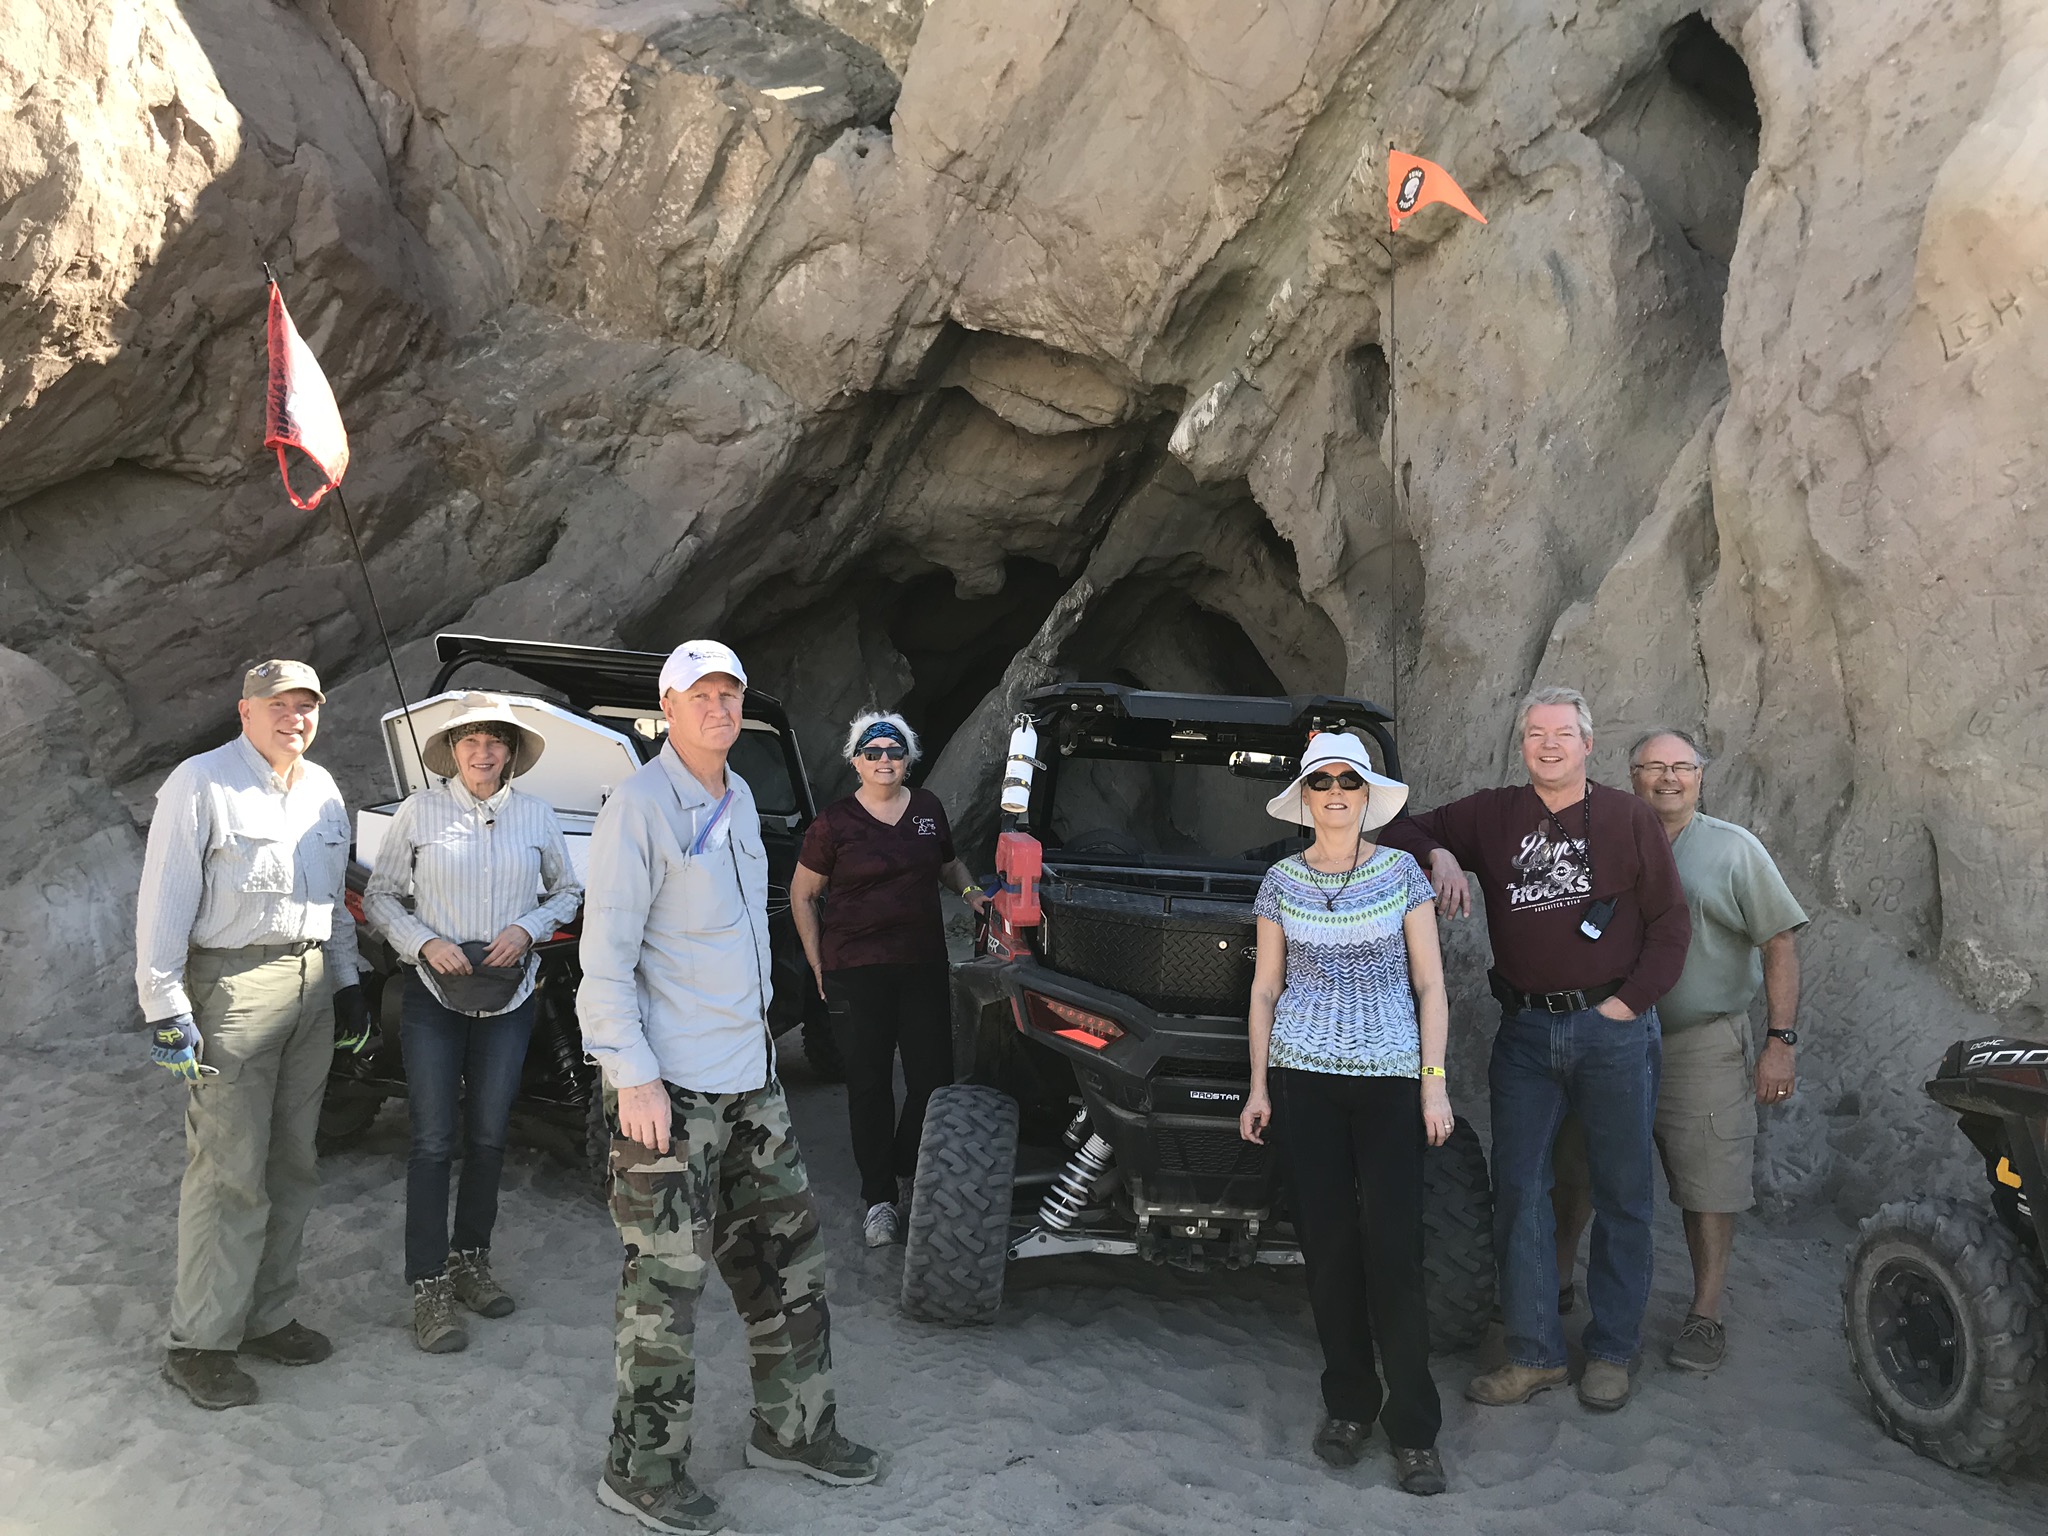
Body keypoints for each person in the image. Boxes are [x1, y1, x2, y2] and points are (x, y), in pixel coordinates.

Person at [578, 640, 878, 1535]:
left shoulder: (741, 796)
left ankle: (793, 1431)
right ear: (667, 709)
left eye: (730, 693)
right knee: (664, 1294)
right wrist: (632, 1078)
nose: (718, 707)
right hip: (668, 1092)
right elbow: (604, 965)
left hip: (751, 1083)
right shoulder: (636, 808)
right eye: (700, 693)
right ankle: (640, 1473)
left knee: (789, 1269)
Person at [1377, 685, 1690, 1413]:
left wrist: (1625, 1006)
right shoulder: (1492, 814)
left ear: (1588, 744)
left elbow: (1671, 925)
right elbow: (1397, 829)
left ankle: (1611, 1350)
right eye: (1535, 733)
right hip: (1524, 1034)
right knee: (1520, 1193)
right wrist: (1445, 857)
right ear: (1522, 745)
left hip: (1611, 1030)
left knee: (1623, 1194)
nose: (1549, 745)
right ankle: (1535, 1354)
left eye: (1563, 734)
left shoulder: (1627, 818)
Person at [135, 659, 373, 1410]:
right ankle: (201, 1342)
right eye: (278, 705)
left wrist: (349, 983)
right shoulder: (200, 783)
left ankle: (267, 1316)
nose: (293, 717)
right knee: (227, 1168)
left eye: (306, 706)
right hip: (230, 988)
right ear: (245, 710)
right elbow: (164, 901)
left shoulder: (325, 790)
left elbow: (332, 903)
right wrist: (167, 1009)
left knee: (292, 1163)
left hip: (307, 987)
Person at [1548, 729, 1806, 1373]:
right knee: (1578, 1161)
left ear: (1700, 776)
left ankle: (1706, 1314)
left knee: (1708, 1181)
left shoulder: (1734, 850)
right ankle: (1554, 1279)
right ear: (1630, 776)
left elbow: (1779, 944)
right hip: (1608, 1038)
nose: (1668, 778)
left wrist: (1780, 1042)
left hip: (1700, 1040)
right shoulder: (1602, 841)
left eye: (1681, 767)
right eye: (1652, 767)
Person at [1238, 733, 1453, 1496]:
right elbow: (1265, 989)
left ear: (1367, 796)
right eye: (1322, 780)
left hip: (1392, 1081)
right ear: (1306, 796)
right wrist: (1259, 1086)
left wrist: (1433, 1084)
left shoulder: (1402, 875)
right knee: (1327, 1251)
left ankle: (1416, 1429)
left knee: (1395, 1251)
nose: (1336, 792)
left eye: (1349, 781)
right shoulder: (1281, 882)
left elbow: (1430, 986)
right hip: (1303, 1083)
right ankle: (1350, 1405)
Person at [362, 692, 583, 1353]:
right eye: (470, 741)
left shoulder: (536, 814)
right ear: (452, 752)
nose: (483, 752)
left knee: (489, 1135)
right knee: (434, 1139)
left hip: (510, 993)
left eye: (495, 741)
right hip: (434, 989)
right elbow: (381, 895)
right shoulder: (420, 812)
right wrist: (425, 942)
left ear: (511, 753)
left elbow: (566, 891)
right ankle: (428, 1284)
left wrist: (529, 926)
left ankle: (471, 1261)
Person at [790, 712, 987, 1248]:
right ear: (855, 760)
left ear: (908, 757)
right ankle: (880, 1199)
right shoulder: (833, 824)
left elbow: (949, 865)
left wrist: (973, 897)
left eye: (894, 751)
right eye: (873, 751)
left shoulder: (927, 809)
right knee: (869, 1083)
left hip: (921, 965)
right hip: (855, 971)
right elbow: (803, 895)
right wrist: (817, 963)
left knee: (932, 1081)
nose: (884, 760)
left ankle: (902, 1161)